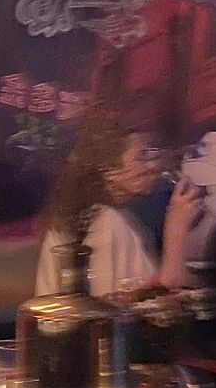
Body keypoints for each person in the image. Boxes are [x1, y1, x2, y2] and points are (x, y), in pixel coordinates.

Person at [35, 114, 201, 298]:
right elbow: (127, 306)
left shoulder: (86, 215)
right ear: (109, 170)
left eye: (152, 155)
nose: (153, 165)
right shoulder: (108, 223)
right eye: (142, 157)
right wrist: (177, 228)